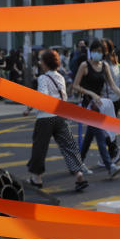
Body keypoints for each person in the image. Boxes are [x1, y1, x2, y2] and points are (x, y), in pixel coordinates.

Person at [24, 50, 89, 191]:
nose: (40, 63)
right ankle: (78, 174)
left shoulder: (42, 78)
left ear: (46, 63)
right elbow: (63, 97)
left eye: (41, 61)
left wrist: (29, 108)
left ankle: (37, 178)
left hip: (45, 118)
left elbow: (42, 98)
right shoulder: (60, 77)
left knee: (39, 148)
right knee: (68, 146)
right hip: (60, 117)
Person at [73, 40, 120, 175]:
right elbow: (75, 86)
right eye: (97, 51)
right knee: (100, 135)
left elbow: (113, 86)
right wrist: (91, 93)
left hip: (100, 105)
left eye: (101, 52)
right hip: (89, 104)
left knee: (90, 135)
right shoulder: (85, 65)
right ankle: (110, 166)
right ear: (92, 51)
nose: (99, 54)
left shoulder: (104, 65)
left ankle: (77, 163)